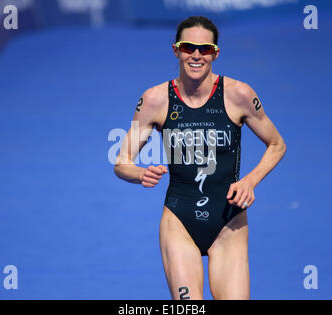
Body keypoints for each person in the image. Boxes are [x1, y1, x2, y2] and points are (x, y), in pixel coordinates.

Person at [114, 16, 286, 300]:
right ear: (176, 50)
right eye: (188, 47)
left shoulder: (238, 95)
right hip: (179, 222)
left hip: (228, 222)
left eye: (204, 49)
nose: (196, 55)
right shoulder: (155, 100)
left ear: (215, 54)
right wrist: (139, 173)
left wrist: (250, 181)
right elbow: (122, 162)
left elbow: (277, 144)